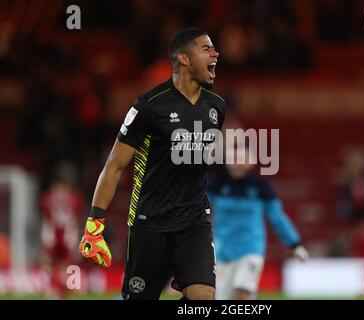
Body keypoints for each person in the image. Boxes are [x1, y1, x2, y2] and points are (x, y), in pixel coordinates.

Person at [79, 27, 225, 300]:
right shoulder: (148, 107)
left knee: (203, 297)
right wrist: (94, 224)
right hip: (150, 223)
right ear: (183, 58)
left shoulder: (216, 107)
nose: (215, 53)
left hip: (194, 222)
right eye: (206, 48)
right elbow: (114, 166)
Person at [208, 145, 309, 300]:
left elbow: (277, 218)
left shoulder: (261, 187)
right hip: (223, 252)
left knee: (242, 291)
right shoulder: (217, 184)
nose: (236, 163)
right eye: (233, 159)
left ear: (251, 161)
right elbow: (199, 209)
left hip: (250, 248)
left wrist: (294, 244)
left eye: (241, 159)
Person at [41, 162, 84, 298]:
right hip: (67, 237)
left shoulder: (48, 197)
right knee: (64, 265)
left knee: (50, 263)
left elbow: (46, 216)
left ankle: (54, 288)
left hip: (53, 236)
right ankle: (61, 289)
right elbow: (77, 216)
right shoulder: (75, 198)